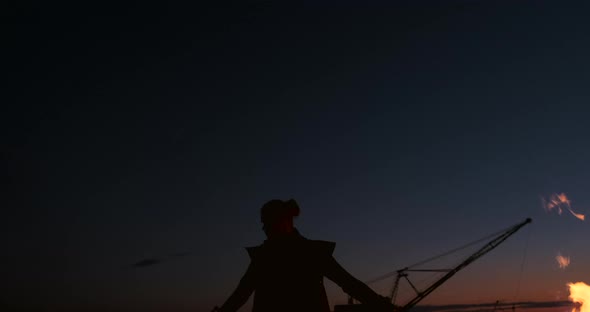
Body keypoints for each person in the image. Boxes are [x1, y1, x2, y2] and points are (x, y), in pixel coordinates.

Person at [212, 199, 394, 312]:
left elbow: (241, 294)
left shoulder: (265, 257)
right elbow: (349, 283)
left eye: (266, 222)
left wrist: (380, 304)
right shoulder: (311, 252)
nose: (263, 228)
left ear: (282, 221)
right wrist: (381, 305)